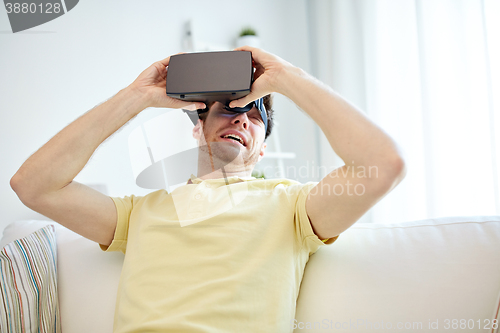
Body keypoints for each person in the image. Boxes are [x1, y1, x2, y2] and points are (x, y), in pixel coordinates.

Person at [10, 46, 406, 332]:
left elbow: (384, 166)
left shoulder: (292, 206)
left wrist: (286, 78)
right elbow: (32, 185)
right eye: (229, 108)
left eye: (256, 115)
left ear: (263, 148)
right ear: (197, 127)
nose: (242, 119)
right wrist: (136, 98)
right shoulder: (140, 212)